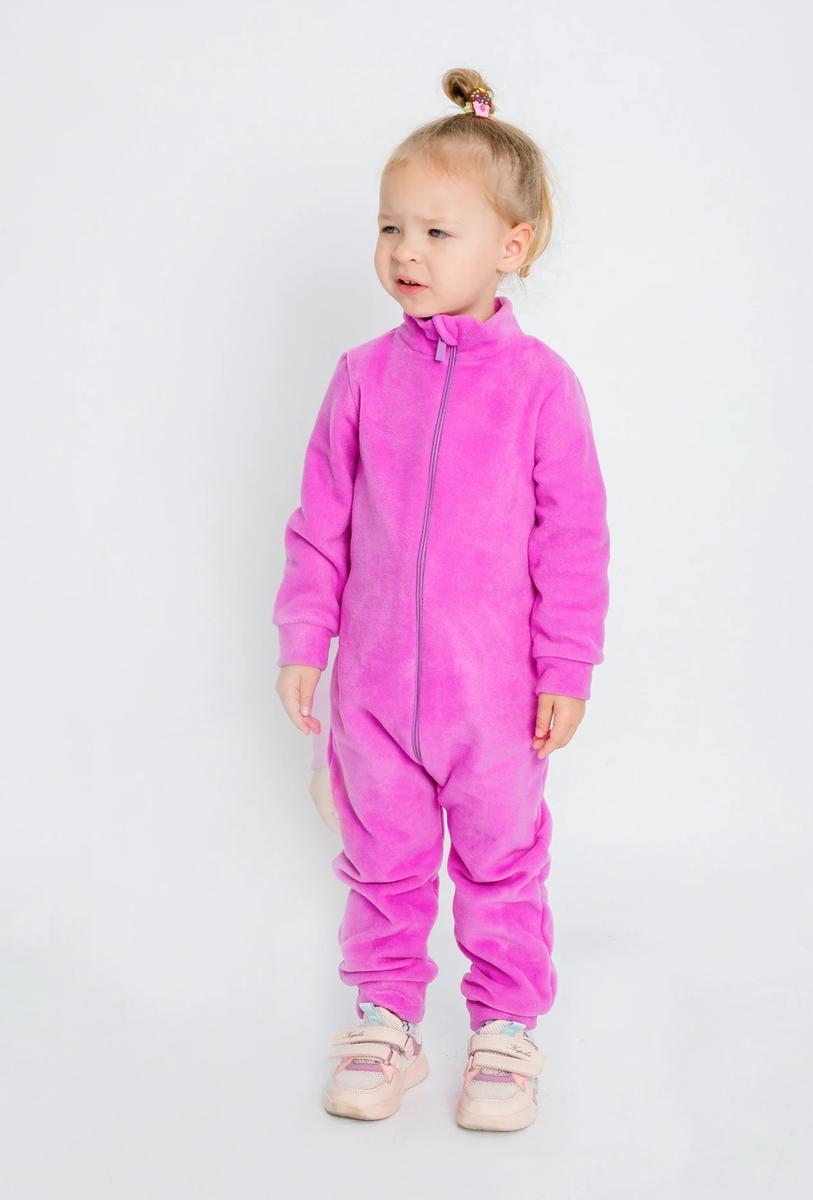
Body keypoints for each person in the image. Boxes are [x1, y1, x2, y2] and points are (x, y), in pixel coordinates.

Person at [272, 67, 611, 1132]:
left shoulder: (541, 386)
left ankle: (505, 1029)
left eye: (434, 232)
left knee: (503, 866)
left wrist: (566, 668)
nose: (405, 253)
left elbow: (575, 539)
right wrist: (304, 639)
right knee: (383, 863)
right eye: (390, 228)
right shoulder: (362, 378)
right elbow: (320, 522)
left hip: (493, 698)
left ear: (512, 246)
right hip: (374, 694)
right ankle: (387, 1020)